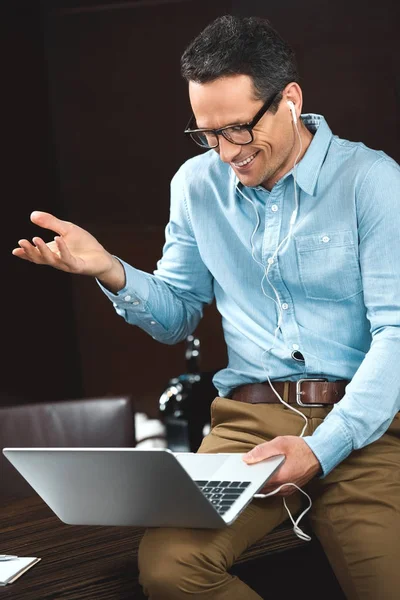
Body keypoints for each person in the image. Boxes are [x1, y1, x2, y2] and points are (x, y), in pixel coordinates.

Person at [13, 14, 400, 600]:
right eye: (207, 134)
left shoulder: (371, 181)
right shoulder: (196, 185)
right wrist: (109, 270)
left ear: (289, 100)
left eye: (239, 130)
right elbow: (177, 316)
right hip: (247, 427)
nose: (225, 153)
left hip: (366, 428)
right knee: (171, 570)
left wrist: (323, 448)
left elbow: (396, 332)